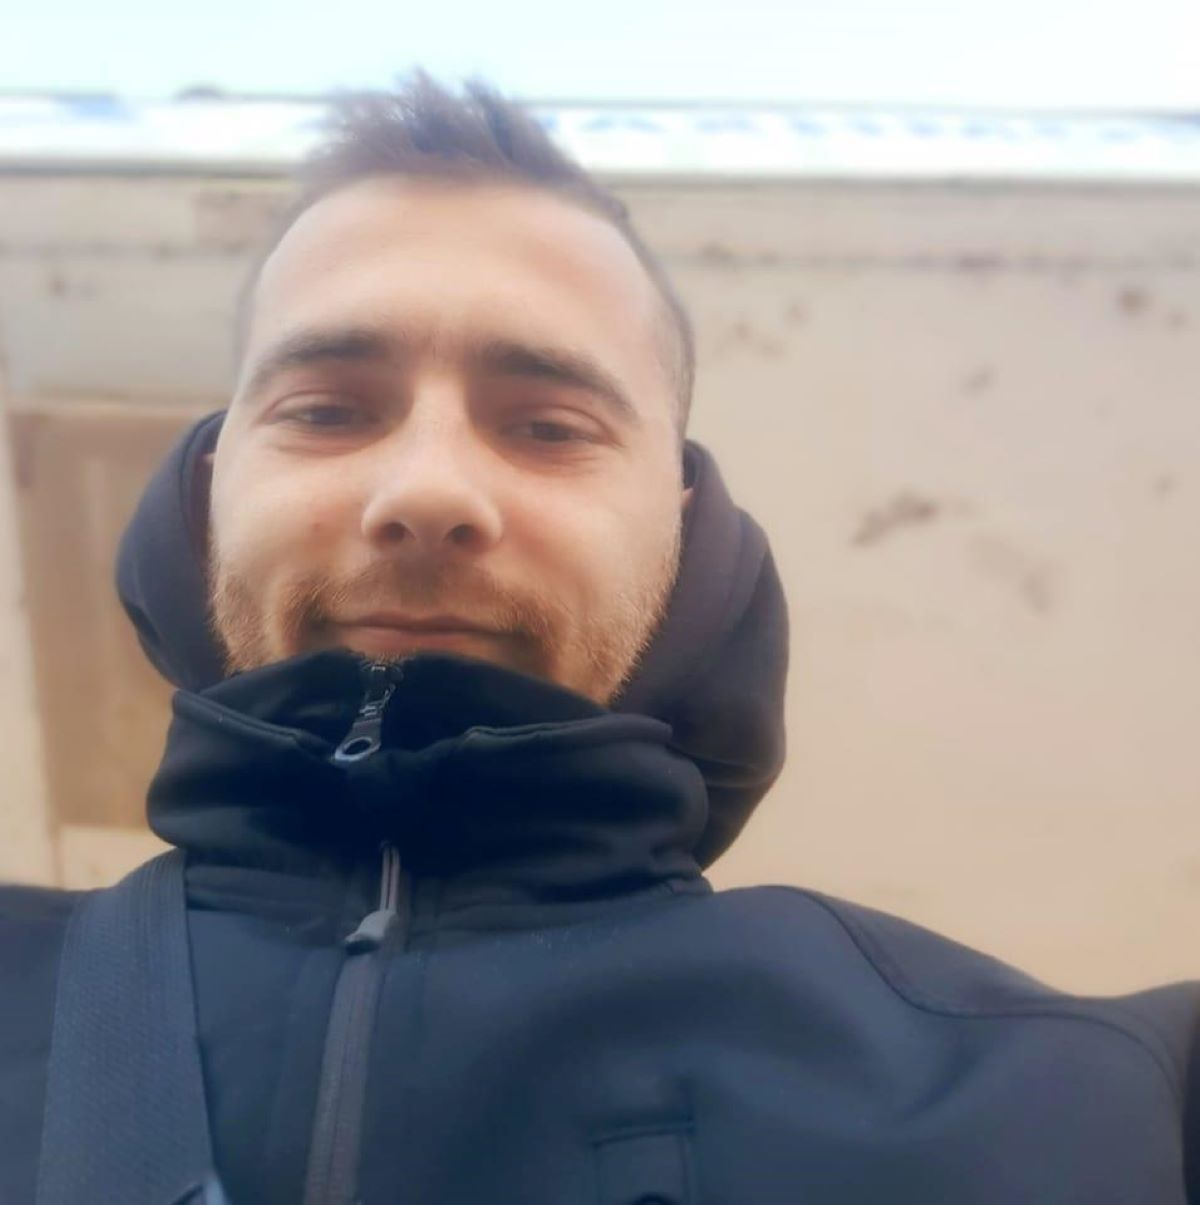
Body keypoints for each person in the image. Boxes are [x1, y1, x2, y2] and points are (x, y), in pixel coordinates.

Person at [1, 73, 1197, 1205]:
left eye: (548, 425)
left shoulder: (1100, 1107)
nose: (427, 489)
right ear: (207, 490)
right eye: (326, 410)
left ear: (688, 527)